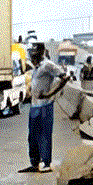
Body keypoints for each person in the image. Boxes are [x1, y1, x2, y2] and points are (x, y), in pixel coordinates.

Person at [19, 41, 68, 173]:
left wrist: (50, 93)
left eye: (35, 53)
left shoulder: (48, 65)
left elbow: (65, 77)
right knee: (32, 135)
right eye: (32, 54)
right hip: (34, 106)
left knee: (44, 134)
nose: (33, 56)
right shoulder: (36, 67)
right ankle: (34, 163)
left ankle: (46, 163)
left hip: (45, 106)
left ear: (41, 52)